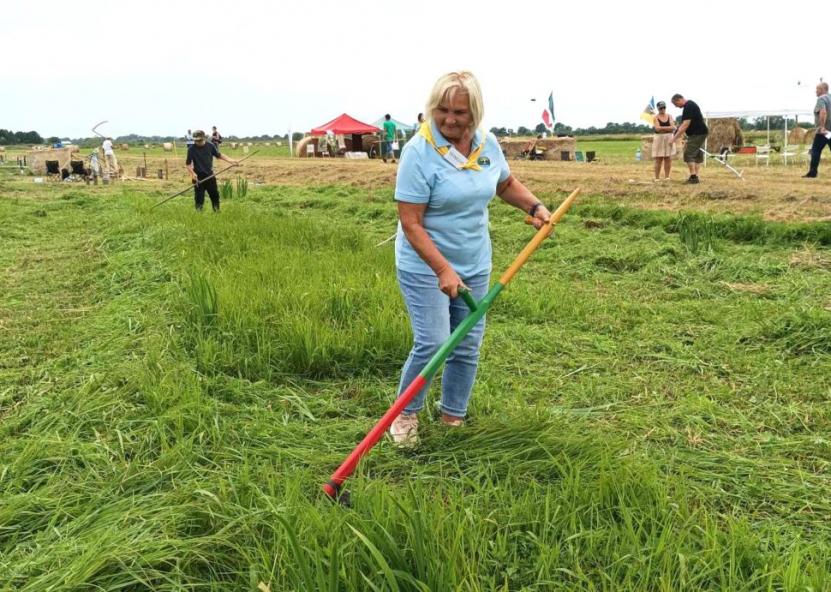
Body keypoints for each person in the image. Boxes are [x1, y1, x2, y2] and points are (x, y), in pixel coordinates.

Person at [389, 71, 552, 446]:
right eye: (442, 110)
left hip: (475, 262)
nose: (449, 119)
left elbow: (504, 184)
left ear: (474, 112)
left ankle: (452, 418)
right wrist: (442, 269)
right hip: (425, 264)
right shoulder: (418, 152)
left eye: (459, 111)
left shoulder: (486, 144)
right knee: (433, 342)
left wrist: (535, 206)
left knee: (466, 343)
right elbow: (410, 222)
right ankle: (406, 413)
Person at [185, 130, 238, 212]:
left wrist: (231, 161)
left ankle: (217, 212)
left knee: (214, 195)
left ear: (204, 138)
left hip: (210, 176)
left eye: (199, 140)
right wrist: (193, 173)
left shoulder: (210, 146)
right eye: (195, 140)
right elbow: (188, 164)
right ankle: (199, 214)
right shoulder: (191, 149)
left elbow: (219, 155)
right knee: (199, 198)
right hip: (198, 178)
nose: (197, 142)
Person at [669, 94, 708, 184]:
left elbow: (685, 125)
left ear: (679, 100)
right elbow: (684, 124)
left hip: (697, 134)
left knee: (688, 154)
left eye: (675, 104)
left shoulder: (688, 106)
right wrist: (677, 130)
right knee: (697, 155)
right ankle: (696, 176)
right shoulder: (690, 105)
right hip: (702, 132)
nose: (676, 106)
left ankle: (693, 177)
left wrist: (673, 139)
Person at [804, 82, 831, 178]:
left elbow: (823, 112)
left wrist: (822, 127)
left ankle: (813, 172)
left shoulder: (821, 99)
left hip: (824, 131)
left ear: (823, 89)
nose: (816, 91)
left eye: (817, 89)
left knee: (816, 150)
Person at [652, 101, 676, 181]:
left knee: (668, 158)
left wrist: (662, 128)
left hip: (669, 138)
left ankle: (667, 177)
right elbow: (657, 129)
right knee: (658, 158)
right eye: (661, 108)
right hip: (659, 138)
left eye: (664, 107)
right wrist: (668, 128)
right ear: (658, 108)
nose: (662, 109)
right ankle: (657, 178)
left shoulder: (670, 116)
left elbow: (673, 127)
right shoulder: (655, 117)